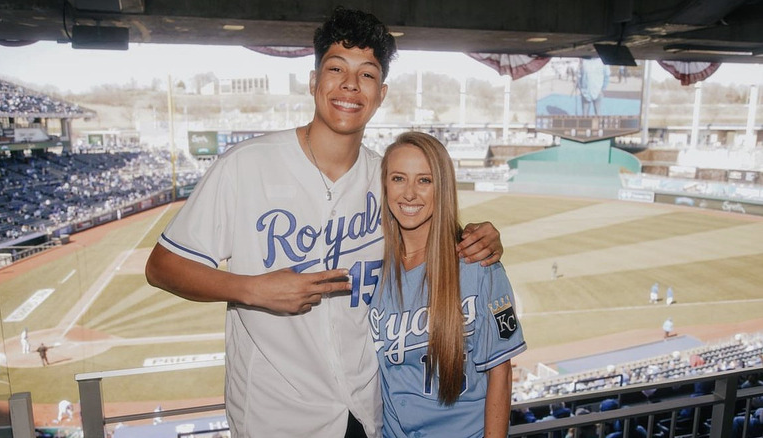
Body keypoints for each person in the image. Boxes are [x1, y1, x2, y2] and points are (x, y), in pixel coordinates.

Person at [144, 7, 504, 438]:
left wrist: (479, 236)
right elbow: (161, 266)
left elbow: (433, 239)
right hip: (277, 418)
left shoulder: (385, 179)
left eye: (366, 74)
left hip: (367, 415)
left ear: (381, 93)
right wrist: (252, 289)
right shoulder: (247, 166)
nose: (350, 85)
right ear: (314, 82)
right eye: (336, 69)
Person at [368, 132, 526, 438]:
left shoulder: (477, 263)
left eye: (424, 180)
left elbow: (500, 373)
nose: (409, 194)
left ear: (442, 187)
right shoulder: (375, 265)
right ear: (385, 186)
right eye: (399, 178)